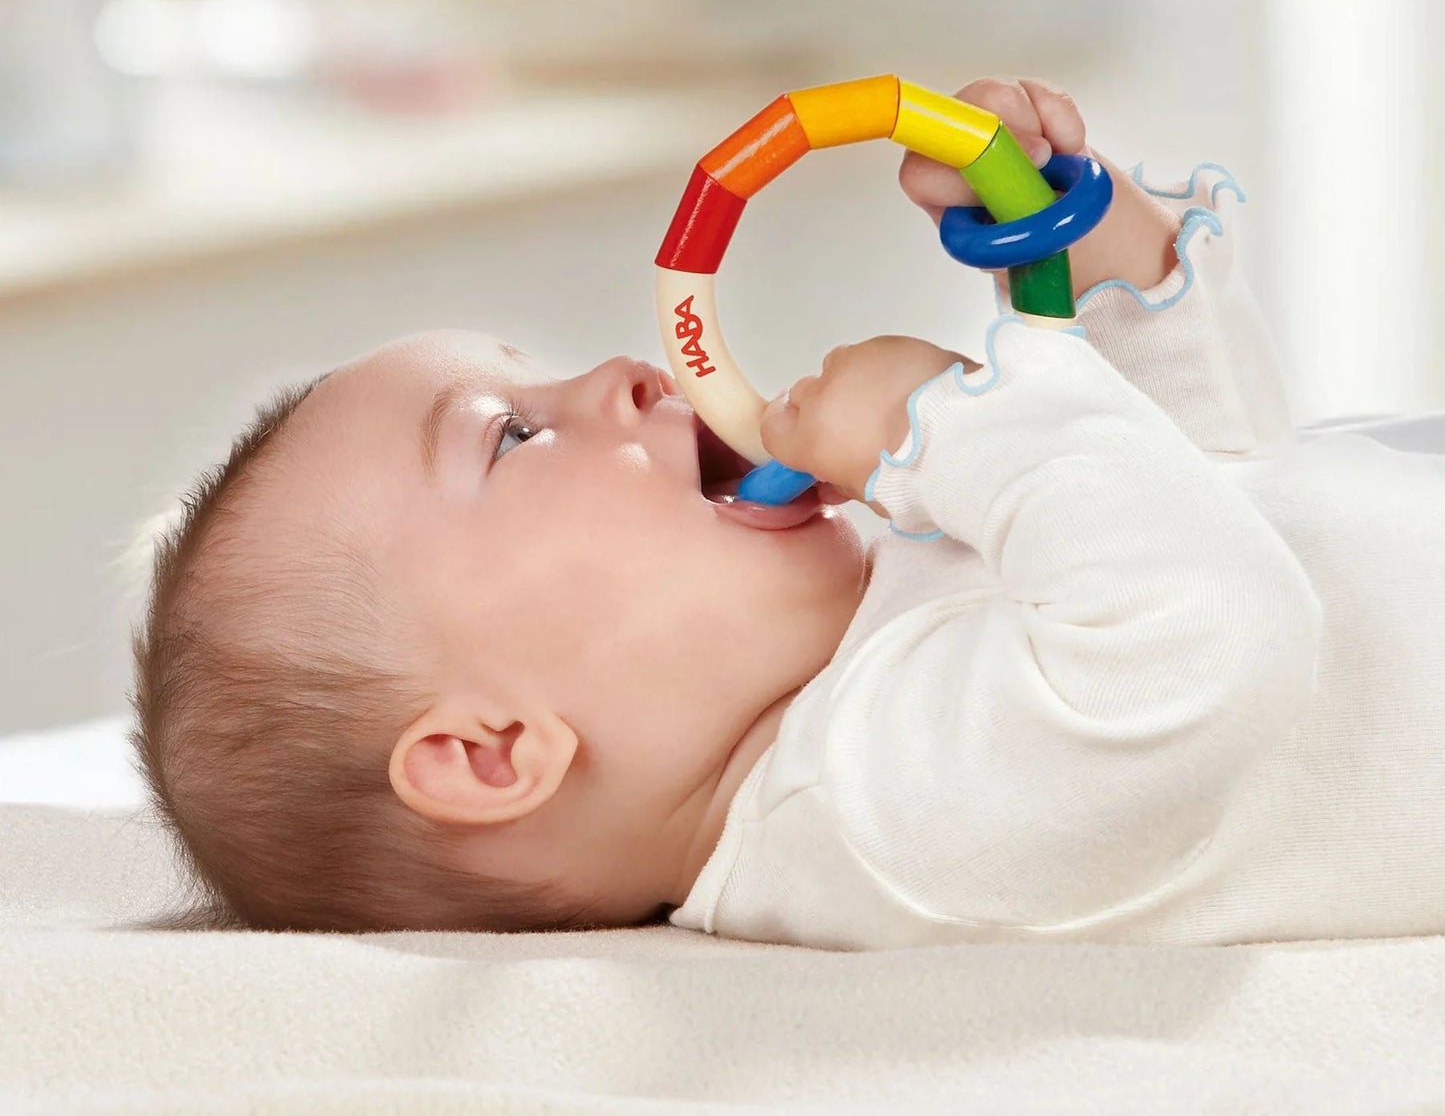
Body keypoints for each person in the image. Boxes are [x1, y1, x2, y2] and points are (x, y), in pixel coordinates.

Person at [132, 77, 1445, 947]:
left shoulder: (860, 648)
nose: (616, 374)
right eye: (512, 434)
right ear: (491, 750)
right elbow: (1219, 627)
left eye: (536, 365)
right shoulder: (879, 815)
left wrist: (1075, 239)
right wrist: (960, 419)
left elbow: (1205, 476)